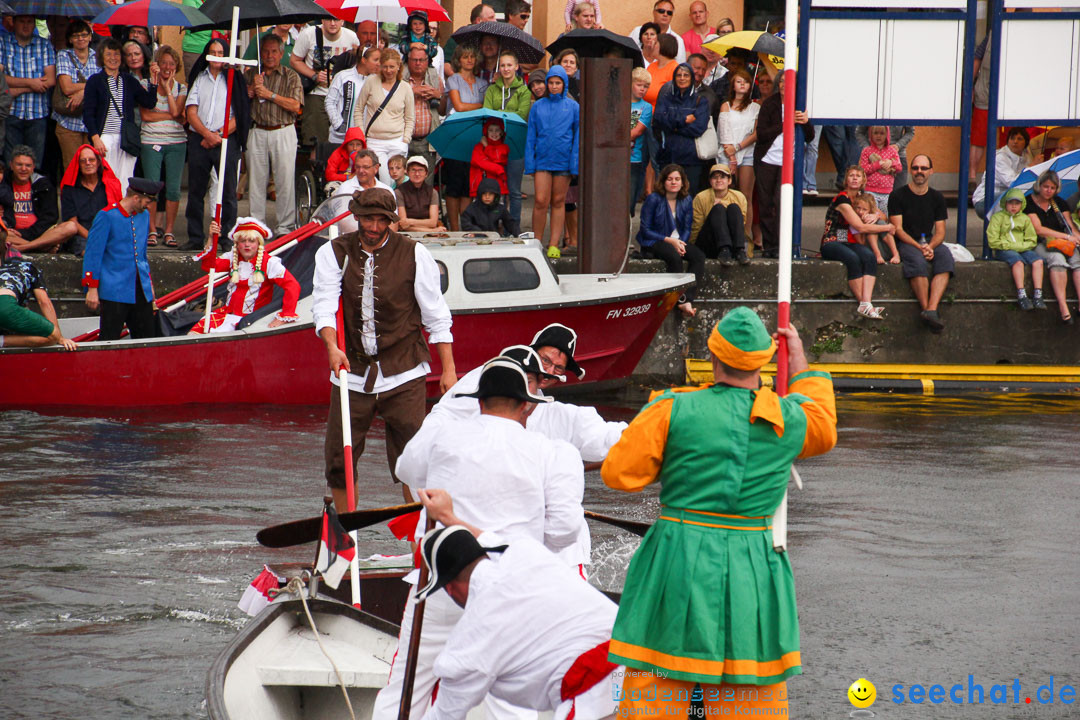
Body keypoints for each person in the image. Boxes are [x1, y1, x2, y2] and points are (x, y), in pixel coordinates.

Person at [601, 308, 836, 718]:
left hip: (678, 554)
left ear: (713, 356)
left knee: (659, 679)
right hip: (753, 560)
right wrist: (797, 359)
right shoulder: (789, 419)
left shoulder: (672, 409)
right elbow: (823, 423)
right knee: (750, 682)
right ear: (763, 361)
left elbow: (620, 475)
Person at [378, 354, 586, 720]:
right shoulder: (553, 453)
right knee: (509, 705)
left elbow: (405, 470)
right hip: (511, 593)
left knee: (405, 691)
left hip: (440, 583)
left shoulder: (444, 434)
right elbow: (565, 532)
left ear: (478, 402)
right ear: (526, 406)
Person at [409, 487, 622, 720]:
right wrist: (448, 517)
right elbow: (488, 538)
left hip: (596, 694)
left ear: (449, 589)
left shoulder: (471, 639)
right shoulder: (525, 551)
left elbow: (444, 716)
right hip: (650, 664)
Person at [311, 188, 456, 509]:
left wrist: (449, 370)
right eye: (366, 219)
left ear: (391, 222)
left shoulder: (415, 254)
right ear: (356, 217)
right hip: (352, 372)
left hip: (405, 371)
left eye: (381, 221)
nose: (373, 227)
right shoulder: (334, 252)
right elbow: (323, 304)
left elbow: (436, 315)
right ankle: (347, 533)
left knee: (413, 462)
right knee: (339, 458)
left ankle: (421, 531)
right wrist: (332, 348)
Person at [185, 38, 251, 253]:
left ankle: (226, 237)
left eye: (220, 52)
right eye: (212, 52)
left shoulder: (235, 79)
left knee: (228, 192)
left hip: (226, 140)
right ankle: (195, 237)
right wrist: (205, 134)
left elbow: (240, 115)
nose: (216, 56)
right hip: (200, 140)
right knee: (196, 191)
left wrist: (217, 135)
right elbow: (191, 111)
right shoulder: (199, 78)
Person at [81, 177, 163, 340]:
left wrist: (149, 284)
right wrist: (91, 289)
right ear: (135, 197)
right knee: (109, 338)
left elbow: (142, 255)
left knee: (147, 338)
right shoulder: (106, 216)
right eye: (147, 201)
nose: (148, 206)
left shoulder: (144, 216)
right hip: (114, 289)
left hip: (140, 288)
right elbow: (93, 254)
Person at [190, 217, 300, 333]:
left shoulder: (269, 263)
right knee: (194, 334)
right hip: (225, 315)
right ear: (237, 244)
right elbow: (209, 266)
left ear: (258, 243)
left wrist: (285, 315)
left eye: (251, 241)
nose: (247, 245)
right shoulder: (232, 258)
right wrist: (211, 238)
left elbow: (293, 286)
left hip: (250, 321)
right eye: (243, 241)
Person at [244, 34, 303, 237]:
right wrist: (251, 89)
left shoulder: (291, 76)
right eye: (266, 51)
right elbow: (240, 103)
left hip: (283, 130)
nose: (269, 55)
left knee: (285, 181)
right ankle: (256, 226)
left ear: (281, 53)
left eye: (274, 51)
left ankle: (285, 228)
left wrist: (269, 95)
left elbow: (295, 106)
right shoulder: (252, 74)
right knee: (256, 182)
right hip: (257, 130)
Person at [887, 154, 953, 332]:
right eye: (916, 168)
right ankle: (928, 310)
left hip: (929, 240)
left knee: (946, 259)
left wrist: (930, 247)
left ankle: (931, 310)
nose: (919, 172)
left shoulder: (937, 197)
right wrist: (920, 248)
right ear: (910, 170)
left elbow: (940, 231)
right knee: (917, 263)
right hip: (907, 241)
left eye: (924, 168)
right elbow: (898, 229)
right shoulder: (897, 196)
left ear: (931, 171)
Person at [820, 168, 897, 320]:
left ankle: (866, 303)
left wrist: (873, 215)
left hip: (849, 239)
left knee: (869, 257)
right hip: (832, 240)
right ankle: (865, 303)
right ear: (846, 180)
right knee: (853, 258)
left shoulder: (862, 198)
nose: (855, 179)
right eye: (851, 176)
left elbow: (881, 214)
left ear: (863, 181)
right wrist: (887, 227)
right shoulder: (843, 199)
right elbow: (860, 227)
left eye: (858, 176)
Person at [83, 38, 156, 195]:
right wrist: (96, 138)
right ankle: (109, 211)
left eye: (116, 54)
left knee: (126, 177)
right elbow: (88, 113)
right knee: (107, 177)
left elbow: (149, 102)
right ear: (101, 57)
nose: (113, 58)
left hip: (126, 136)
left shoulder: (128, 80)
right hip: (105, 137)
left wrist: (154, 80)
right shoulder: (95, 81)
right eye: (108, 54)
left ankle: (123, 213)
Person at [754, 74, 811, 258]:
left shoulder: (800, 105)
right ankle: (770, 246)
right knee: (765, 204)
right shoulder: (770, 104)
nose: (784, 86)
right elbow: (762, 134)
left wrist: (806, 122)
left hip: (789, 160)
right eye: (781, 82)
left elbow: (809, 136)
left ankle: (784, 245)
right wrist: (786, 124)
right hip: (767, 159)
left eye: (788, 83)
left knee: (782, 202)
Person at [637, 164, 704, 317]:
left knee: (698, 256)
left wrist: (681, 243)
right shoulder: (653, 199)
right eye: (670, 179)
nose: (674, 182)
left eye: (677, 179)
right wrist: (670, 241)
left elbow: (688, 227)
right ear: (663, 182)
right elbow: (645, 230)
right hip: (655, 241)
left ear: (682, 182)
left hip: (677, 240)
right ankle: (677, 300)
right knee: (674, 258)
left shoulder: (686, 199)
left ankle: (687, 298)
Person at [525, 66, 578, 259]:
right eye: (551, 82)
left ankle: (554, 244)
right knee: (540, 200)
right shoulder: (538, 106)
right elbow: (531, 135)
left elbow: (577, 137)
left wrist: (574, 164)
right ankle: (536, 242)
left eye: (558, 83)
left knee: (558, 201)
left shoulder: (573, 107)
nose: (554, 86)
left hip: (564, 161)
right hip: (543, 160)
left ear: (564, 84)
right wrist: (530, 163)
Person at [140, 45, 187, 248]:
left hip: (176, 142)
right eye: (164, 62)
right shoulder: (145, 84)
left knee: (174, 190)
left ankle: (168, 231)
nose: (167, 67)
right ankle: (151, 230)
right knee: (151, 188)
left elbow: (180, 113)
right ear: (156, 65)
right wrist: (171, 114)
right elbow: (146, 115)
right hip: (151, 141)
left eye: (172, 64)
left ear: (176, 67)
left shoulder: (181, 88)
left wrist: (167, 89)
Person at [0, 230, 77, 350]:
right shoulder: (29, 267)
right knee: (53, 336)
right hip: (4, 305)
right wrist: (60, 337)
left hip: (6, 306)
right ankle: (2, 341)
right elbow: (44, 302)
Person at [290, 18, 360, 146]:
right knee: (316, 143)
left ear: (342, 21)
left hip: (343, 96)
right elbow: (295, 60)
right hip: (317, 93)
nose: (332, 24)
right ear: (322, 20)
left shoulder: (352, 37)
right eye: (328, 20)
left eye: (336, 20)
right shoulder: (309, 34)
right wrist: (314, 75)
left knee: (343, 141)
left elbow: (357, 64)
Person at [1025, 170, 1080, 324]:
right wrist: (1065, 237)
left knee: (1077, 260)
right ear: (1039, 186)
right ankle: (1063, 307)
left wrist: (1076, 238)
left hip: (1063, 243)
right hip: (1040, 243)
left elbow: (1070, 226)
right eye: (1046, 187)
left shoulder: (1059, 203)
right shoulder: (1028, 202)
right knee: (1057, 259)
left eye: (1052, 188)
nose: (1049, 191)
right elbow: (1038, 229)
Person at [444, 45, 489, 230]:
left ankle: (465, 227)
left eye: (472, 56)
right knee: (453, 185)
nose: (469, 60)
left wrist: (480, 107)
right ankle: (454, 228)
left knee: (467, 186)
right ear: (458, 60)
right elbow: (459, 106)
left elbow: (486, 109)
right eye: (465, 57)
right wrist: (480, 106)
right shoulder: (453, 79)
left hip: (474, 137)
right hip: (455, 136)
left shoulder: (482, 83)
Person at [483, 50, 531, 226]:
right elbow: (487, 114)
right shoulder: (492, 89)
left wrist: (500, 114)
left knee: (514, 190)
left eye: (509, 65)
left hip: (515, 144)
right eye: (502, 65)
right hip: (495, 144)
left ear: (516, 67)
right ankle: (494, 225)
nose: (506, 68)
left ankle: (514, 226)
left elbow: (521, 115)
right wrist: (502, 115)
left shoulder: (524, 90)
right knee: (495, 188)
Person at [2, 146, 79, 253]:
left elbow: (50, 217)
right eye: (19, 164)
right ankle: (42, 247)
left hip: (40, 233)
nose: (23, 169)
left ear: (33, 167)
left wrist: (26, 234)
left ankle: (24, 247)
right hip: (12, 233)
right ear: (11, 165)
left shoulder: (43, 184)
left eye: (28, 165)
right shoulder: (4, 183)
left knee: (71, 227)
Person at [2, 15, 56, 164]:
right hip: (11, 111)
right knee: (11, 163)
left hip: (37, 112)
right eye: (22, 22)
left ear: (34, 24)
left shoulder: (44, 44)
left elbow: (50, 80)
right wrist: (31, 84)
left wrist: (15, 89)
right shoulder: (3, 42)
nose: (26, 26)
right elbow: (0, 79)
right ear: (14, 22)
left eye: (29, 22)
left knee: (35, 163)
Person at [356, 48, 414, 186]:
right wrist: (361, 133)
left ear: (398, 67)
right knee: (385, 180)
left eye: (392, 67)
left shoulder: (405, 87)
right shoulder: (371, 81)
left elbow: (410, 117)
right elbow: (359, 108)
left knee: (398, 181)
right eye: (385, 66)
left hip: (397, 141)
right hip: (375, 141)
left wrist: (406, 139)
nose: (388, 70)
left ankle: (396, 206)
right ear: (380, 66)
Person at [654, 63, 709, 197]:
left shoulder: (700, 101)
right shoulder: (665, 99)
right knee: (666, 196)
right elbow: (659, 121)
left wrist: (673, 126)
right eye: (678, 75)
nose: (682, 78)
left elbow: (698, 128)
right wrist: (683, 120)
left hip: (691, 158)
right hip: (667, 156)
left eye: (686, 75)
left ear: (691, 78)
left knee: (688, 197)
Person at [58, 144, 122, 256]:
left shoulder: (110, 185)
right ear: (78, 165)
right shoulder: (70, 189)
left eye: (91, 160)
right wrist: (93, 237)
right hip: (81, 235)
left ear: (98, 163)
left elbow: (117, 217)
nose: (88, 163)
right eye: (83, 161)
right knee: (91, 252)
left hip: (107, 233)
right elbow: (72, 222)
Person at [52, 20, 99, 172]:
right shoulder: (64, 55)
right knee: (72, 168)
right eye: (76, 35)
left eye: (84, 35)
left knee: (90, 167)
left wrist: (82, 92)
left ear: (90, 37)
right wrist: (91, 87)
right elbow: (67, 88)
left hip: (91, 121)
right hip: (68, 121)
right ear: (70, 39)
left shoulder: (98, 56)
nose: (81, 38)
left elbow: (103, 86)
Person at [718, 68, 758, 248]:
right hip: (727, 154)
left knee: (746, 195)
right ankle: (728, 234)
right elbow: (723, 132)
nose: (742, 84)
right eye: (739, 81)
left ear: (750, 86)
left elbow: (756, 133)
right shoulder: (725, 105)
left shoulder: (755, 107)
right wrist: (732, 156)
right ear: (733, 85)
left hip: (747, 152)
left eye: (746, 81)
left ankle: (746, 234)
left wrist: (740, 147)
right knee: (726, 193)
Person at [988, 188, 1044, 311]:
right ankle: (1021, 294)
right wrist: (1011, 246)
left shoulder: (1025, 219)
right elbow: (993, 240)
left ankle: (1038, 294)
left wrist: (1019, 246)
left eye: (1017, 203)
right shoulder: (997, 218)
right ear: (1005, 203)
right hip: (1004, 249)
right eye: (1010, 203)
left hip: (1022, 247)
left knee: (1038, 261)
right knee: (1018, 262)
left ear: (1022, 204)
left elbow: (1032, 239)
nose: (1013, 206)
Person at [691, 164, 748, 264]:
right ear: (710, 181)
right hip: (709, 242)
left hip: (732, 242)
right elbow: (697, 226)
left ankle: (739, 250)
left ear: (729, 180)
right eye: (715, 177)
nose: (718, 180)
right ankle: (724, 249)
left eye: (722, 177)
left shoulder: (739, 196)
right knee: (718, 209)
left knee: (733, 208)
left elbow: (741, 224)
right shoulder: (701, 197)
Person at [972, 127, 1030, 219]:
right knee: (1016, 197)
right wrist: (1030, 168)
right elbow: (1012, 182)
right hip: (985, 200)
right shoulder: (1000, 157)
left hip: (1005, 197)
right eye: (1012, 138)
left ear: (1026, 143)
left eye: (1019, 139)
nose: (1015, 142)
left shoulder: (1025, 157)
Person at [326, 46, 379, 145]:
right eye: (375, 60)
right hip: (340, 139)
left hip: (364, 140)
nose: (379, 63)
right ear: (364, 60)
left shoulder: (376, 81)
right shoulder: (342, 76)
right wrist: (338, 125)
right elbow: (330, 102)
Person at [405, 45, 444, 169]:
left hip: (427, 141)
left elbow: (443, 111)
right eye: (414, 60)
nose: (418, 63)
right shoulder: (399, 80)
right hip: (404, 139)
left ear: (427, 61)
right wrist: (412, 91)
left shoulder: (436, 79)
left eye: (421, 60)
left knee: (427, 182)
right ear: (408, 61)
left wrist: (439, 96)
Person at [858, 125, 901, 215]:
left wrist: (891, 163)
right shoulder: (867, 151)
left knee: (885, 216)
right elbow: (863, 169)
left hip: (887, 192)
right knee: (871, 214)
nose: (878, 136)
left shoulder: (892, 151)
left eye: (882, 133)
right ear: (871, 135)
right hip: (870, 191)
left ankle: (884, 229)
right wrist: (877, 164)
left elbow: (899, 167)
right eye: (876, 133)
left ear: (887, 135)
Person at [395, 156, 445, 231]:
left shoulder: (432, 192)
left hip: (429, 235)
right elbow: (402, 224)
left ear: (426, 173)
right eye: (413, 170)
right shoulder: (399, 192)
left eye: (421, 170)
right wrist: (431, 231)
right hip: (407, 235)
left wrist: (410, 221)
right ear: (407, 172)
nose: (417, 174)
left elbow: (433, 222)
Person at [629, 0, 687, 64]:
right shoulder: (638, 31)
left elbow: (681, 66)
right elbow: (626, 53)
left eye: (669, 13)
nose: (665, 14)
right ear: (654, 12)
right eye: (661, 11)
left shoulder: (678, 40)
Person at [629, 68, 653, 216]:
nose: (642, 89)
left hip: (635, 159)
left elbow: (637, 131)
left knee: (630, 202)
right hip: (616, 159)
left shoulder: (646, 107)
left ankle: (627, 237)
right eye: (639, 85)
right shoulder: (621, 102)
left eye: (646, 86)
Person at [469, 116, 509, 198]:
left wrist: (487, 146)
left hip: (498, 186)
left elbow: (496, 159)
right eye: (490, 130)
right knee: (480, 210)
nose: (494, 133)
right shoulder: (478, 147)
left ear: (501, 132)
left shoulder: (504, 147)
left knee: (497, 209)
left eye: (497, 130)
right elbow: (477, 161)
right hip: (480, 186)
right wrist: (498, 169)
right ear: (486, 132)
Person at [643, 31, 677, 108]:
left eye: (655, 43)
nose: (651, 45)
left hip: (659, 117)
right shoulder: (651, 66)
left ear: (663, 46)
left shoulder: (675, 69)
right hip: (643, 113)